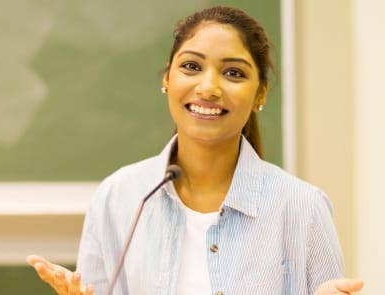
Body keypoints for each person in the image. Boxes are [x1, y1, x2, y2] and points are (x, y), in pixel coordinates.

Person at [27, 6, 364, 295]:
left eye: (233, 73)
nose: (208, 87)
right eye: (191, 66)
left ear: (260, 94)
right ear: (167, 79)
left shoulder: (301, 206)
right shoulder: (120, 197)